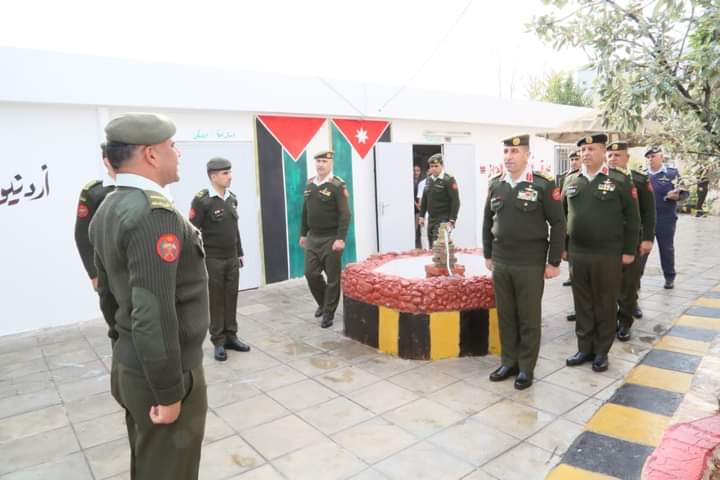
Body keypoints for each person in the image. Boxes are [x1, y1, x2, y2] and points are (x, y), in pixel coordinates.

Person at [89, 112, 208, 480]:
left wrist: (121, 346)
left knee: (150, 464)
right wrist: (168, 391)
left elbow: (108, 297)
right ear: (151, 154)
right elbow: (152, 313)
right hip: (163, 373)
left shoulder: (108, 207)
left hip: (132, 362)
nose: (178, 153)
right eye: (172, 145)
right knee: (170, 471)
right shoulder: (154, 215)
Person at [483, 134, 565, 390]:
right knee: (506, 315)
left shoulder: (542, 185)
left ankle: (526, 368)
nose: (509, 157)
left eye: (515, 152)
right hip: (501, 261)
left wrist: (553, 261)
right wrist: (488, 254)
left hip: (530, 263)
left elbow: (558, 223)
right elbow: (487, 221)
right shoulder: (496, 184)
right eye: (506, 152)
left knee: (528, 317)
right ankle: (508, 362)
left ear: (527, 155)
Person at [562, 133, 640, 373]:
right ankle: (584, 348)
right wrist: (563, 247)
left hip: (608, 254)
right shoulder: (571, 180)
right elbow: (562, 216)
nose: (586, 153)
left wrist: (629, 251)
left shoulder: (619, 180)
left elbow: (633, 218)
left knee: (605, 303)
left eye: (592, 149)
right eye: (583, 150)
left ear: (603, 152)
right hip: (578, 253)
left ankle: (601, 352)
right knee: (582, 303)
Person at [190, 158, 250, 362]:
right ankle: (218, 341)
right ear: (213, 176)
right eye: (225, 173)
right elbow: (192, 232)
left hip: (231, 257)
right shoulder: (202, 200)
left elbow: (234, 228)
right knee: (216, 300)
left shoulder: (232, 198)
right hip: (213, 259)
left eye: (230, 172)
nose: (230, 176)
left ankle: (231, 336)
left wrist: (239, 252)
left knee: (231, 297)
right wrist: (197, 260)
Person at [606, 141, 656, 341]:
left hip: (631, 239)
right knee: (608, 284)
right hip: (607, 241)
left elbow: (649, 212)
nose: (612, 159)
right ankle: (609, 321)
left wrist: (647, 239)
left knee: (628, 285)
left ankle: (625, 323)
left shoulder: (639, 179)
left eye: (617, 155)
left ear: (627, 158)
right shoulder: (601, 178)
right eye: (610, 155)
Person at [300, 150, 351, 328]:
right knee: (311, 273)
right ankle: (323, 303)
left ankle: (328, 313)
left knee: (332, 279)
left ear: (330, 164)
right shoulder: (309, 184)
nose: (320, 164)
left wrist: (340, 238)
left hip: (331, 238)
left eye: (324, 161)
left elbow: (345, 214)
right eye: (318, 161)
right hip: (313, 237)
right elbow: (305, 211)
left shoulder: (337, 185)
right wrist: (303, 233)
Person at [640, 146, 689, 289]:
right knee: (642, 249)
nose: (650, 159)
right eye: (648, 157)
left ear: (661, 157)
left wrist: (677, 196)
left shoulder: (672, 174)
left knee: (666, 249)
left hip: (665, 219)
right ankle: (636, 277)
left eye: (653, 156)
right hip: (646, 220)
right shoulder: (642, 175)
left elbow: (685, 193)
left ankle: (669, 277)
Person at [74, 143, 116, 290]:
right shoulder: (94, 192)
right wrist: (94, 273)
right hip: (109, 269)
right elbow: (82, 236)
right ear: (107, 161)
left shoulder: (140, 187)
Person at [418, 153, 460, 247]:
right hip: (431, 218)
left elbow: (455, 201)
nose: (434, 168)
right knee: (432, 244)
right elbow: (425, 199)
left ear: (442, 166)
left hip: (443, 219)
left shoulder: (448, 180)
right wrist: (421, 215)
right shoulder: (429, 180)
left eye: (436, 166)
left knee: (439, 245)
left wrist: (452, 220)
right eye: (431, 166)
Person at [558, 150, 582, 294]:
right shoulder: (564, 177)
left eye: (576, 159)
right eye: (572, 160)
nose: (574, 162)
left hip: (577, 218)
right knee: (569, 249)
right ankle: (571, 275)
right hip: (566, 216)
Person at [413, 165, 425, 248]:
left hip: (421, 207)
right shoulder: (409, 181)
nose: (415, 172)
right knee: (414, 227)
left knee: (421, 228)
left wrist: (420, 206)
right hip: (414, 207)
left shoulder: (422, 181)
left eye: (417, 171)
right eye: (414, 170)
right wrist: (416, 204)